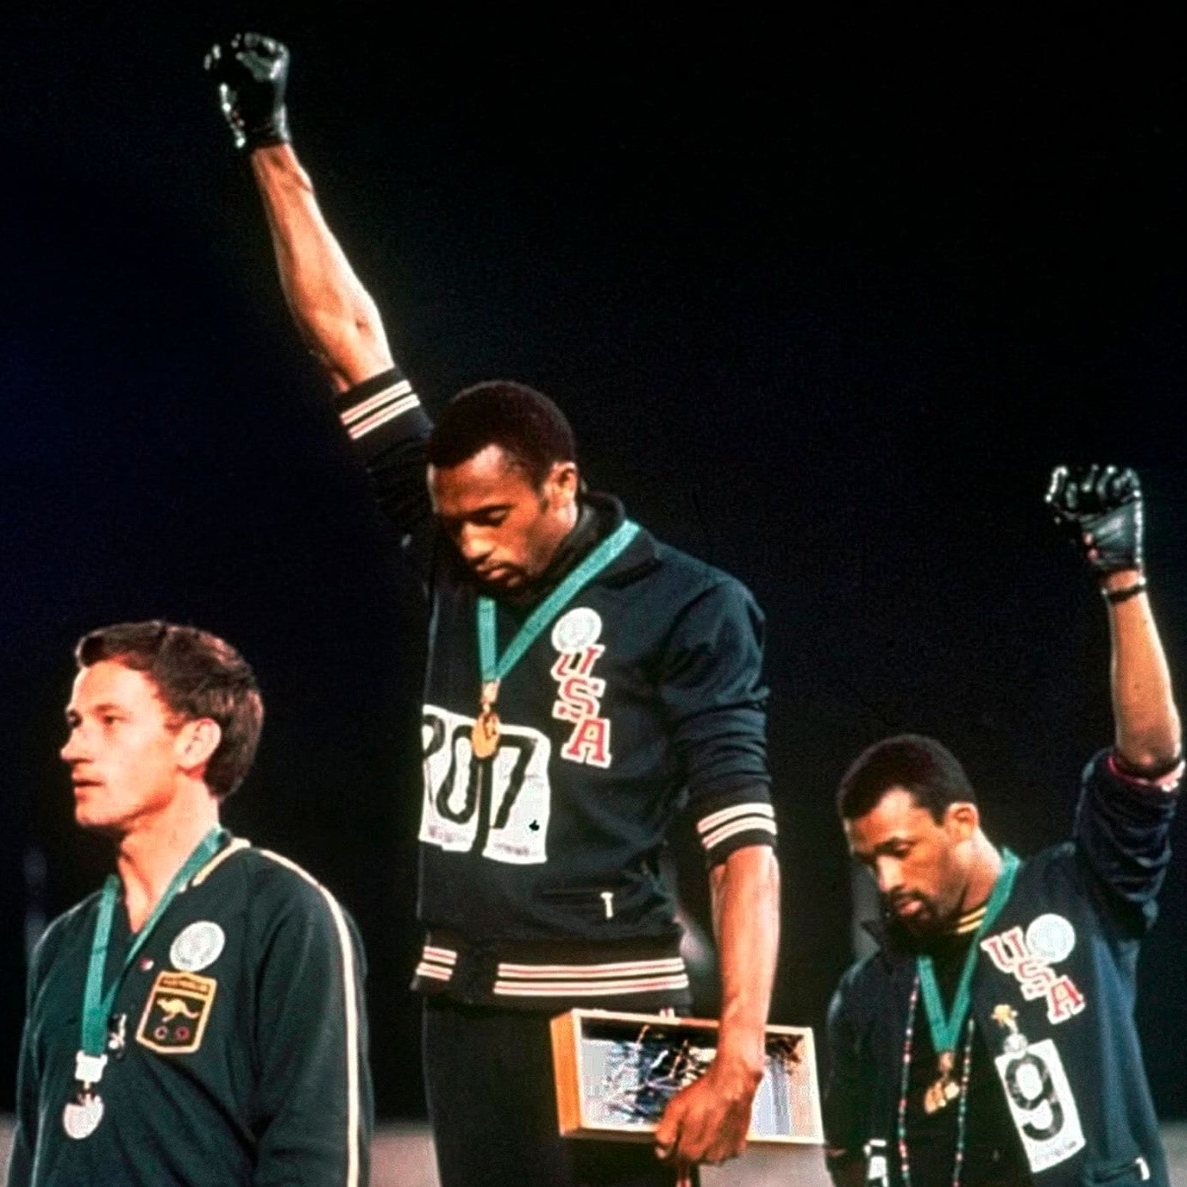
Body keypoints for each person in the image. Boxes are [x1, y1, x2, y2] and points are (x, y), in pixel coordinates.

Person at [204, 32, 781, 1187]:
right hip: (460, 996)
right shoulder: (449, 545)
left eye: (493, 516)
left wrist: (734, 1056)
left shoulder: (690, 603)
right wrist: (266, 139)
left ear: (562, 483)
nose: (466, 544)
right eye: (449, 518)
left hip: (612, 1003)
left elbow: (744, 846)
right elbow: (348, 340)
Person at [822, 464, 1181, 1187]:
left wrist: (1120, 578)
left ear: (961, 821)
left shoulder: (1080, 893)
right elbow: (847, 1161)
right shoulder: (865, 993)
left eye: (898, 850)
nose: (886, 881)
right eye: (868, 863)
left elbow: (1147, 760)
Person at [6, 621, 373, 1187]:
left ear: (196, 742)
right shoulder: (65, 942)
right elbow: (34, 1156)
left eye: (110, 721)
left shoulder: (285, 914)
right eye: (76, 724)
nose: (72, 748)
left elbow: (317, 1160)